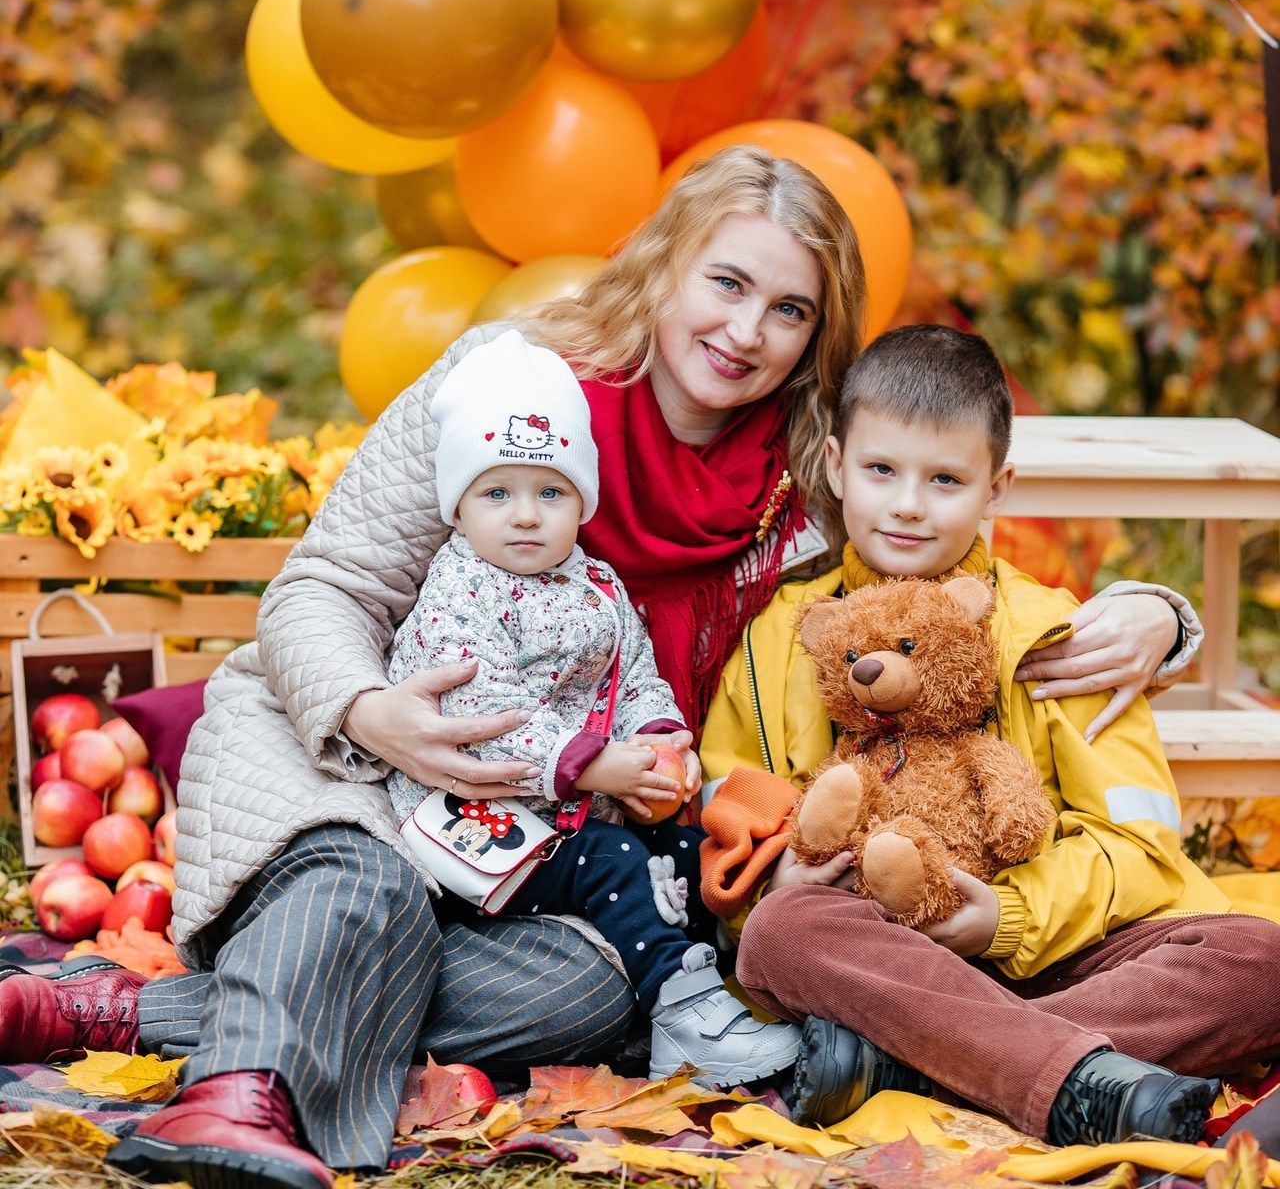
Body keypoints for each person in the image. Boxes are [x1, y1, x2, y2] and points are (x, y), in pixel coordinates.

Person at [0, 148, 1200, 1189]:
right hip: (372, 763)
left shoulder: (799, 490)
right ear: (665, 263)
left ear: (812, 340)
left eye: (787, 311)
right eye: (725, 283)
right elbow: (323, 587)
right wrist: (376, 713)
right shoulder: (508, 386)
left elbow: (932, 547)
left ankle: (132, 1012)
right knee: (363, 892)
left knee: (597, 998)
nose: (743, 331)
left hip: (573, 839)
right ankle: (239, 1100)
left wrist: (1153, 613)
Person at [698, 324, 1280, 1147]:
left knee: (1261, 964)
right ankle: (1064, 1072)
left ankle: (913, 1060)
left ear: (996, 487)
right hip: (871, 944)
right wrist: (779, 873)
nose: (907, 503)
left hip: (1046, 948)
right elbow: (732, 808)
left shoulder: (1057, 634)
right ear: (834, 466)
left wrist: (1004, 917)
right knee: (780, 932)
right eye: (881, 471)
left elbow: (1143, 845)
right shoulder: (780, 637)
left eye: (944, 478)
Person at [386, 329, 801, 1086]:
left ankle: (691, 1002)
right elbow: (479, 708)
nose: (524, 515)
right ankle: (683, 1014)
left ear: (582, 501)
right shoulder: (461, 591)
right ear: (459, 505)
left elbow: (633, 669)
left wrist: (655, 741)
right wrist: (591, 764)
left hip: (573, 805)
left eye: (551, 492)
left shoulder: (597, 584)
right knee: (613, 862)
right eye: (496, 492)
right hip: (473, 818)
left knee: (681, 850)